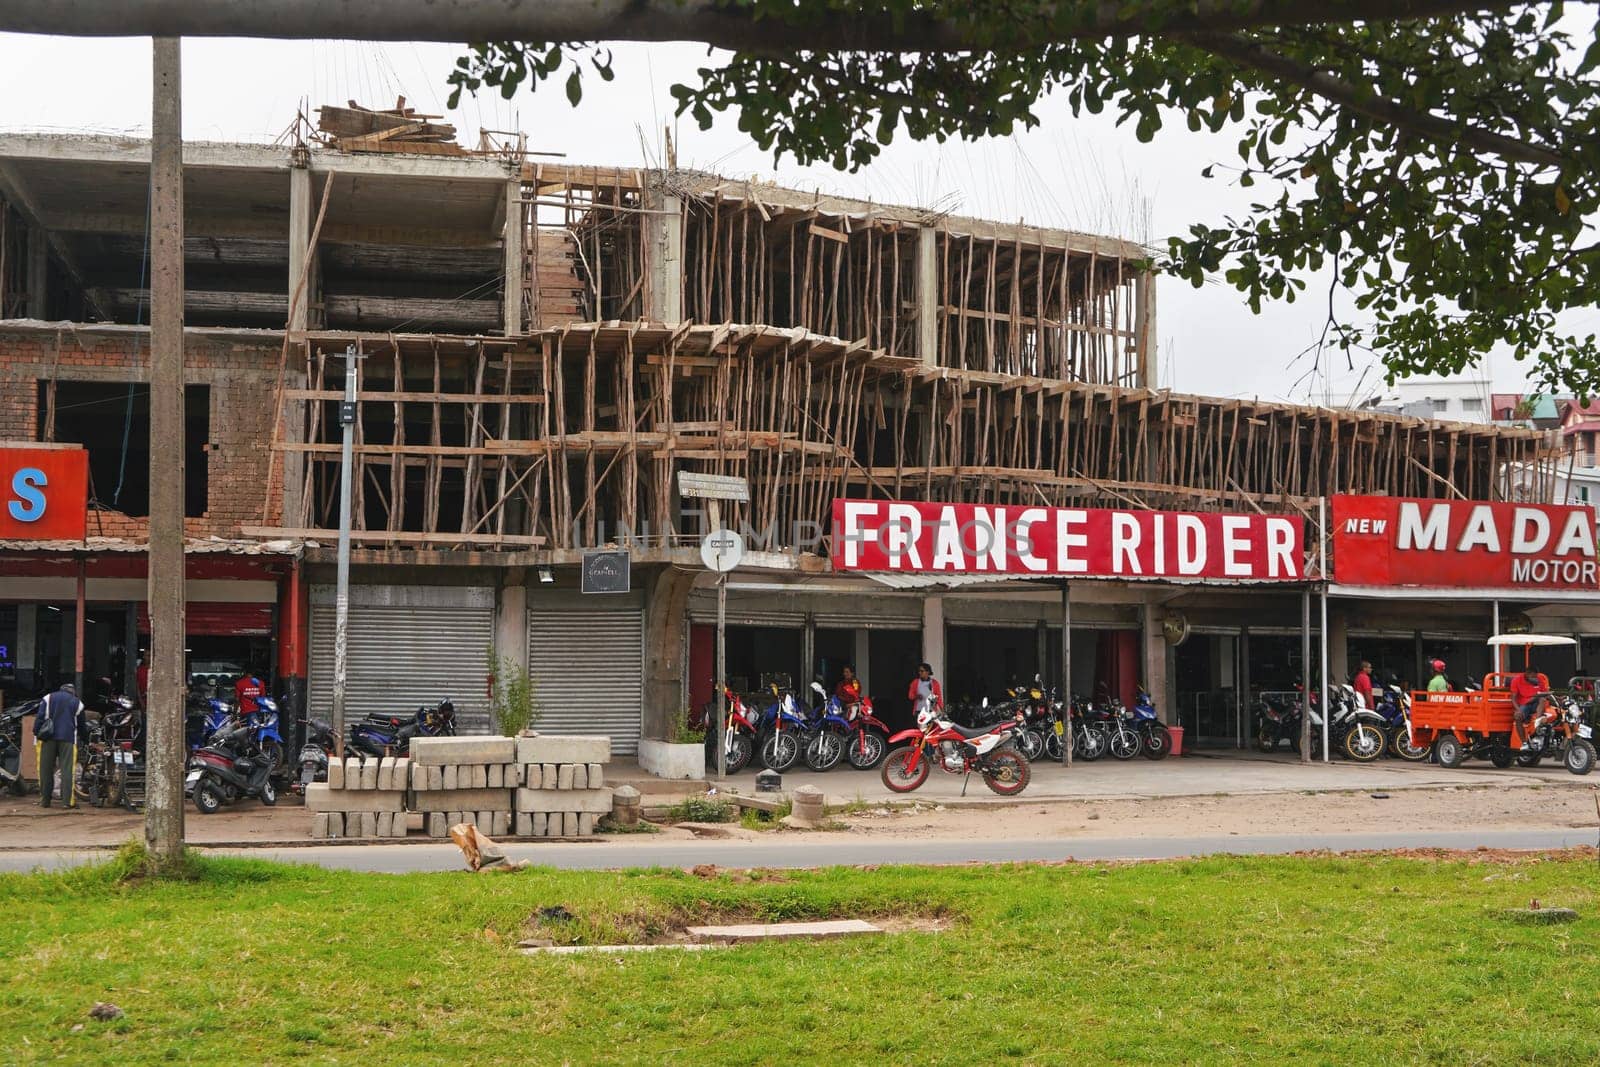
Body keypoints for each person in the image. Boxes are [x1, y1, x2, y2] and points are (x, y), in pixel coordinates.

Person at [33, 681, 84, 809]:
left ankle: (45, 801)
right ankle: (67, 802)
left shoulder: (48, 698)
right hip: (68, 739)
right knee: (67, 770)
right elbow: (81, 725)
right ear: (73, 692)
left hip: (47, 738)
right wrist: (84, 738)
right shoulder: (78, 703)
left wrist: (36, 732)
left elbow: (40, 717)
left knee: (45, 770)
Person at [1510, 665, 1550, 745]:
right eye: (1533, 676)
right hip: (1525, 705)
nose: (1535, 678)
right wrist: (1518, 710)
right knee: (1517, 717)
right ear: (1527, 674)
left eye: (1536, 676)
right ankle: (1524, 742)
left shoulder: (1539, 679)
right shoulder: (1517, 680)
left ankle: (1537, 723)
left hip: (1537, 704)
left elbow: (1545, 693)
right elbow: (1513, 698)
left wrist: (1558, 698)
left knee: (1542, 699)